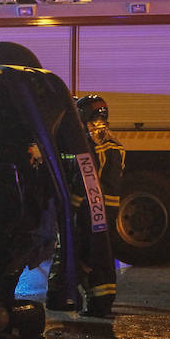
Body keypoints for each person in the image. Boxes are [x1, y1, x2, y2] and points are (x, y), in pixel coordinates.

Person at [69, 94, 124, 318]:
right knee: (102, 255)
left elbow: (84, 178)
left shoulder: (89, 143)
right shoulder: (112, 141)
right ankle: (102, 302)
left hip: (91, 209)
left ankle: (98, 305)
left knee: (90, 255)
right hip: (108, 209)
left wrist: (71, 205)